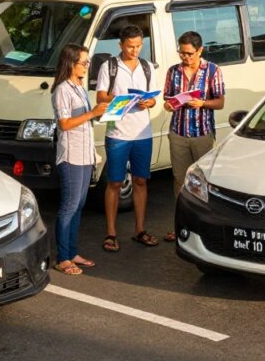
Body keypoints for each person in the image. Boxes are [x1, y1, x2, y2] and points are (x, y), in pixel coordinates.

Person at [96, 25, 158, 251]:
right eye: (130, 46)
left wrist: (147, 102)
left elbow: (153, 99)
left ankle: (140, 229)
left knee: (141, 180)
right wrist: (122, 98)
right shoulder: (109, 66)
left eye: (139, 46)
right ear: (120, 45)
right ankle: (111, 233)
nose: (135, 50)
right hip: (117, 133)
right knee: (114, 182)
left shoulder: (147, 67)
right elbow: (101, 95)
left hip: (143, 133)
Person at [161, 31, 225, 241]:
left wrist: (203, 103)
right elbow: (167, 101)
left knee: (203, 182)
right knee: (179, 180)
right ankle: (180, 225)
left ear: (200, 51)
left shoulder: (212, 70)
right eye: (182, 53)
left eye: (189, 53)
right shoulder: (174, 71)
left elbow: (220, 102)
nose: (185, 58)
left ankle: (204, 227)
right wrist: (170, 105)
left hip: (202, 133)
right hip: (178, 132)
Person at [51, 43, 109, 275]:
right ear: (70, 63)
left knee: (79, 206)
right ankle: (62, 257)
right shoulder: (62, 89)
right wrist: (92, 113)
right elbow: (64, 124)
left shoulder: (79, 87)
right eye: (83, 62)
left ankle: (72, 252)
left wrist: (99, 113)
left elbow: (85, 120)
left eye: (88, 62)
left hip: (85, 154)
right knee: (69, 206)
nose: (87, 66)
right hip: (71, 155)